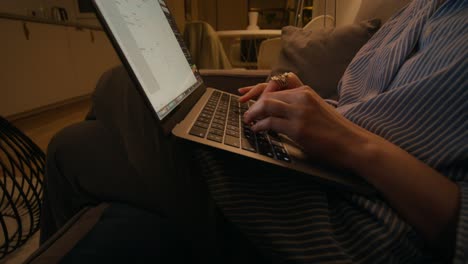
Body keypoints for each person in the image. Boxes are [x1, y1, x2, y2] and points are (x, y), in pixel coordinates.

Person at [40, 0, 467, 263]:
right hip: (318, 172)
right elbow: (365, 110)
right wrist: (311, 106)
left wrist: (351, 143)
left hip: (353, 227)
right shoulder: (418, 10)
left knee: (119, 84)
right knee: (71, 147)